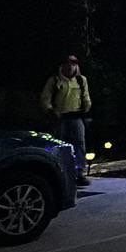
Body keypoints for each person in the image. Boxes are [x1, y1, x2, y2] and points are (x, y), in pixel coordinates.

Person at [40, 54, 92, 186]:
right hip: (60, 118)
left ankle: (79, 173)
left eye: (73, 63)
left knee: (79, 145)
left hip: (76, 117)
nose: (71, 66)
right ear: (62, 65)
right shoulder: (55, 80)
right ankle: (58, 173)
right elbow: (45, 99)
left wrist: (86, 108)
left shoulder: (81, 80)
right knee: (59, 145)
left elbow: (86, 97)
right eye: (68, 63)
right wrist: (51, 111)